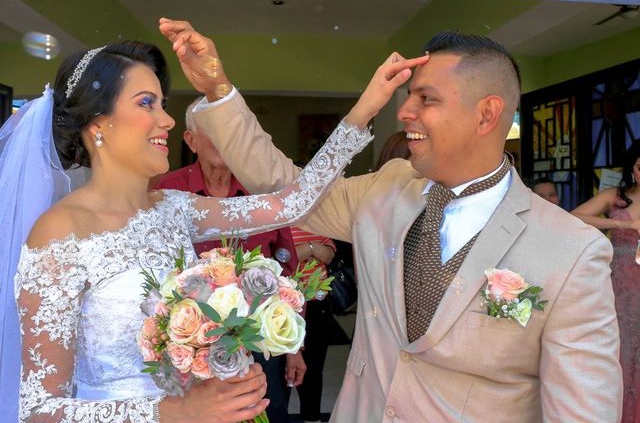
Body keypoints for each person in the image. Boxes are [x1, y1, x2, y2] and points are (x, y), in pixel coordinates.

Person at [160, 18, 623, 422]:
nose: (404, 112)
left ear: (487, 114)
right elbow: (282, 185)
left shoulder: (571, 249)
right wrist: (218, 89)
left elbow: (583, 410)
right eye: (407, 96)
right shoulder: (386, 188)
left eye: (426, 98)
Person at [0, 36, 386, 422]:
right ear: (99, 123)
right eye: (145, 103)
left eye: (162, 105)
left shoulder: (175, 208)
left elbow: (289, 204)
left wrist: (364, 110)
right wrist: (176, 411)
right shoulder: (59, 234)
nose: (167, 120)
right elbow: (41, 410)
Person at [153, 100, 306, 422]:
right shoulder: (163, 192)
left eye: (228, 131)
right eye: (211, 131)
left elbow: (288, 271)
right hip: (191, 346)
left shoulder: (261, 193)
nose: (222, 140)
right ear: (191, 140)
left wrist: (293, 348)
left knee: (268, 411)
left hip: (260, 344)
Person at [572, 139, 640, 422]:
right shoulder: (617, 195)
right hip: (621, 282)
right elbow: (576, 216)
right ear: (632, 169)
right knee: (621, 346)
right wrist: (623, 224)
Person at [289, 227, 336, 423]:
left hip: (317, 305)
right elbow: (282, 259)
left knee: (313, 368)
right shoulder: (277, 221)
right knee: (284, 370)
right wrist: (312, 247)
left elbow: (329, 255)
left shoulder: (316, 219)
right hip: (285, 305)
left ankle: (312, 418)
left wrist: (305, 249)